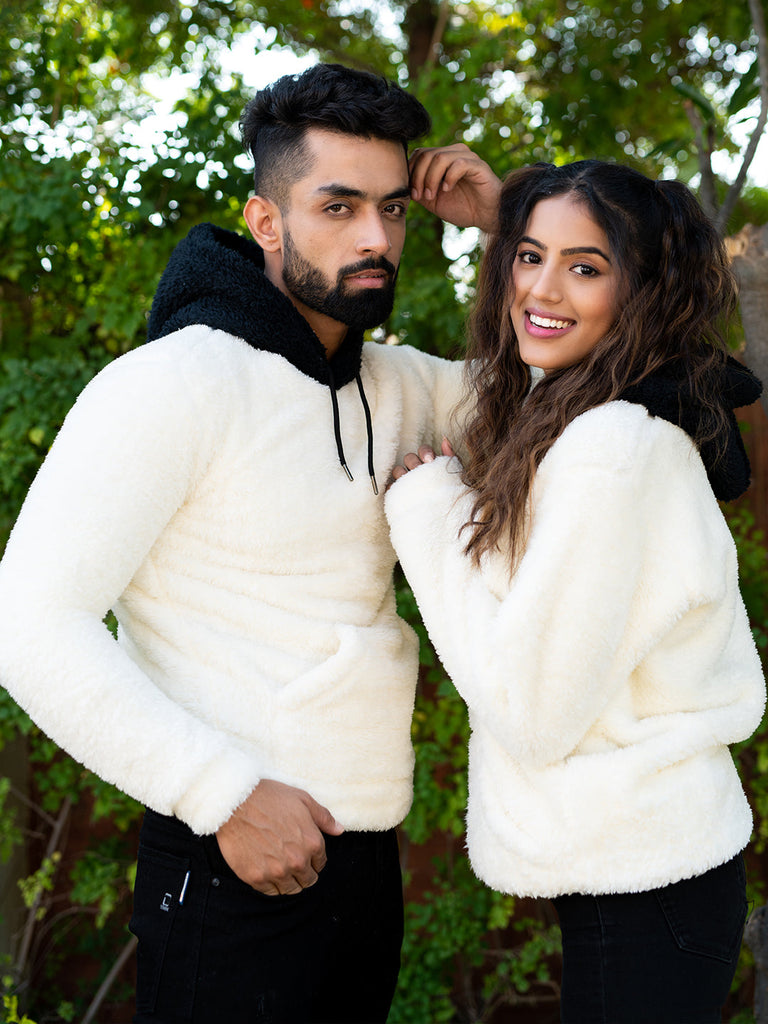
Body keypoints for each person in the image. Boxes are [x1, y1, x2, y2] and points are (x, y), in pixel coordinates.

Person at [0, 64, 500, 1023]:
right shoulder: (173, 384)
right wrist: (220, 793)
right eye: (339, 206)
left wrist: (511, 220)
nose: (375, 238)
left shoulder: (402, 386)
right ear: (266, 222)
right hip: (227, 857)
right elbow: (28, 622)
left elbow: (588, 395)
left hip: (365, 858)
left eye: (394, 209)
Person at [384, 159, 766, 1023]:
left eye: (585, 267)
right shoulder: (598, 415)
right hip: (646, 865)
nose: (540, 289)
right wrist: (505, 216)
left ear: (641, 291)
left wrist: (427, 512)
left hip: (648, 880)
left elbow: (532, 710)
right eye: (528, 256)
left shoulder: (614, 450)